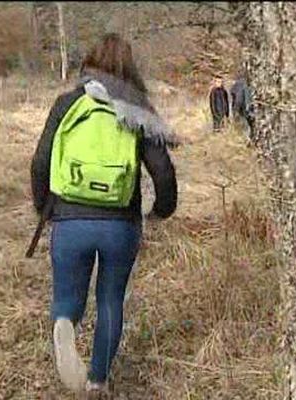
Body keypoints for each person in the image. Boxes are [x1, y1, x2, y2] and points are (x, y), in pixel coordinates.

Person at [30, 33, 177, 394]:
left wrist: (44, 207)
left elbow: (41, 161)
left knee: (67, 297)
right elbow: (163, 171)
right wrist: (161, 210)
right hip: (120, 223)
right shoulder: (136, 108)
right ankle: (97, 381)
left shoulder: (67, 103)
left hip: (70, 219)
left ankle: (64, 322)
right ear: (130, 68)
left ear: (89, 64)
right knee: (110, 298)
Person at [230, 72, 256, 143]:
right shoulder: (248, 84)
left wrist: (236, 110)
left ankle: (247, 141)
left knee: (246, 126)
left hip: (244, 110)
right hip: (251, 108)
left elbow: (238, 99)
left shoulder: (237, 86)